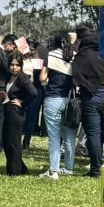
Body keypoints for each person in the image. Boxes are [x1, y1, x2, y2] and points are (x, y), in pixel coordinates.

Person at [71, 28, 104, 177]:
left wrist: (87, 87)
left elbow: (76, 76)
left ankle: (96, 169)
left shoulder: (83, 55)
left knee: (93, 134)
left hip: (90, 98)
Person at [38, 30, 77, 179]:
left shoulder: (51, 55)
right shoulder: (74, 56)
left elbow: (42, 77)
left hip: (52, 99)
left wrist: (47, 82)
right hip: (69, 101)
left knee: (54, 136)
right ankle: (69, 168)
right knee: (69, 137)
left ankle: (53, 170)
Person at [1, 53, 37, 176]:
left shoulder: (23, 78)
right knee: (6, 141)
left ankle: (15, 171)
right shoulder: (9, 76)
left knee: (14, 142)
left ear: (21, 66)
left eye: (17, 65)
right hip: (8, 111)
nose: (14, 67)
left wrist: (22, 102)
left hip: (16, 113)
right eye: (12, 65)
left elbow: (33, 93)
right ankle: (20, 168)